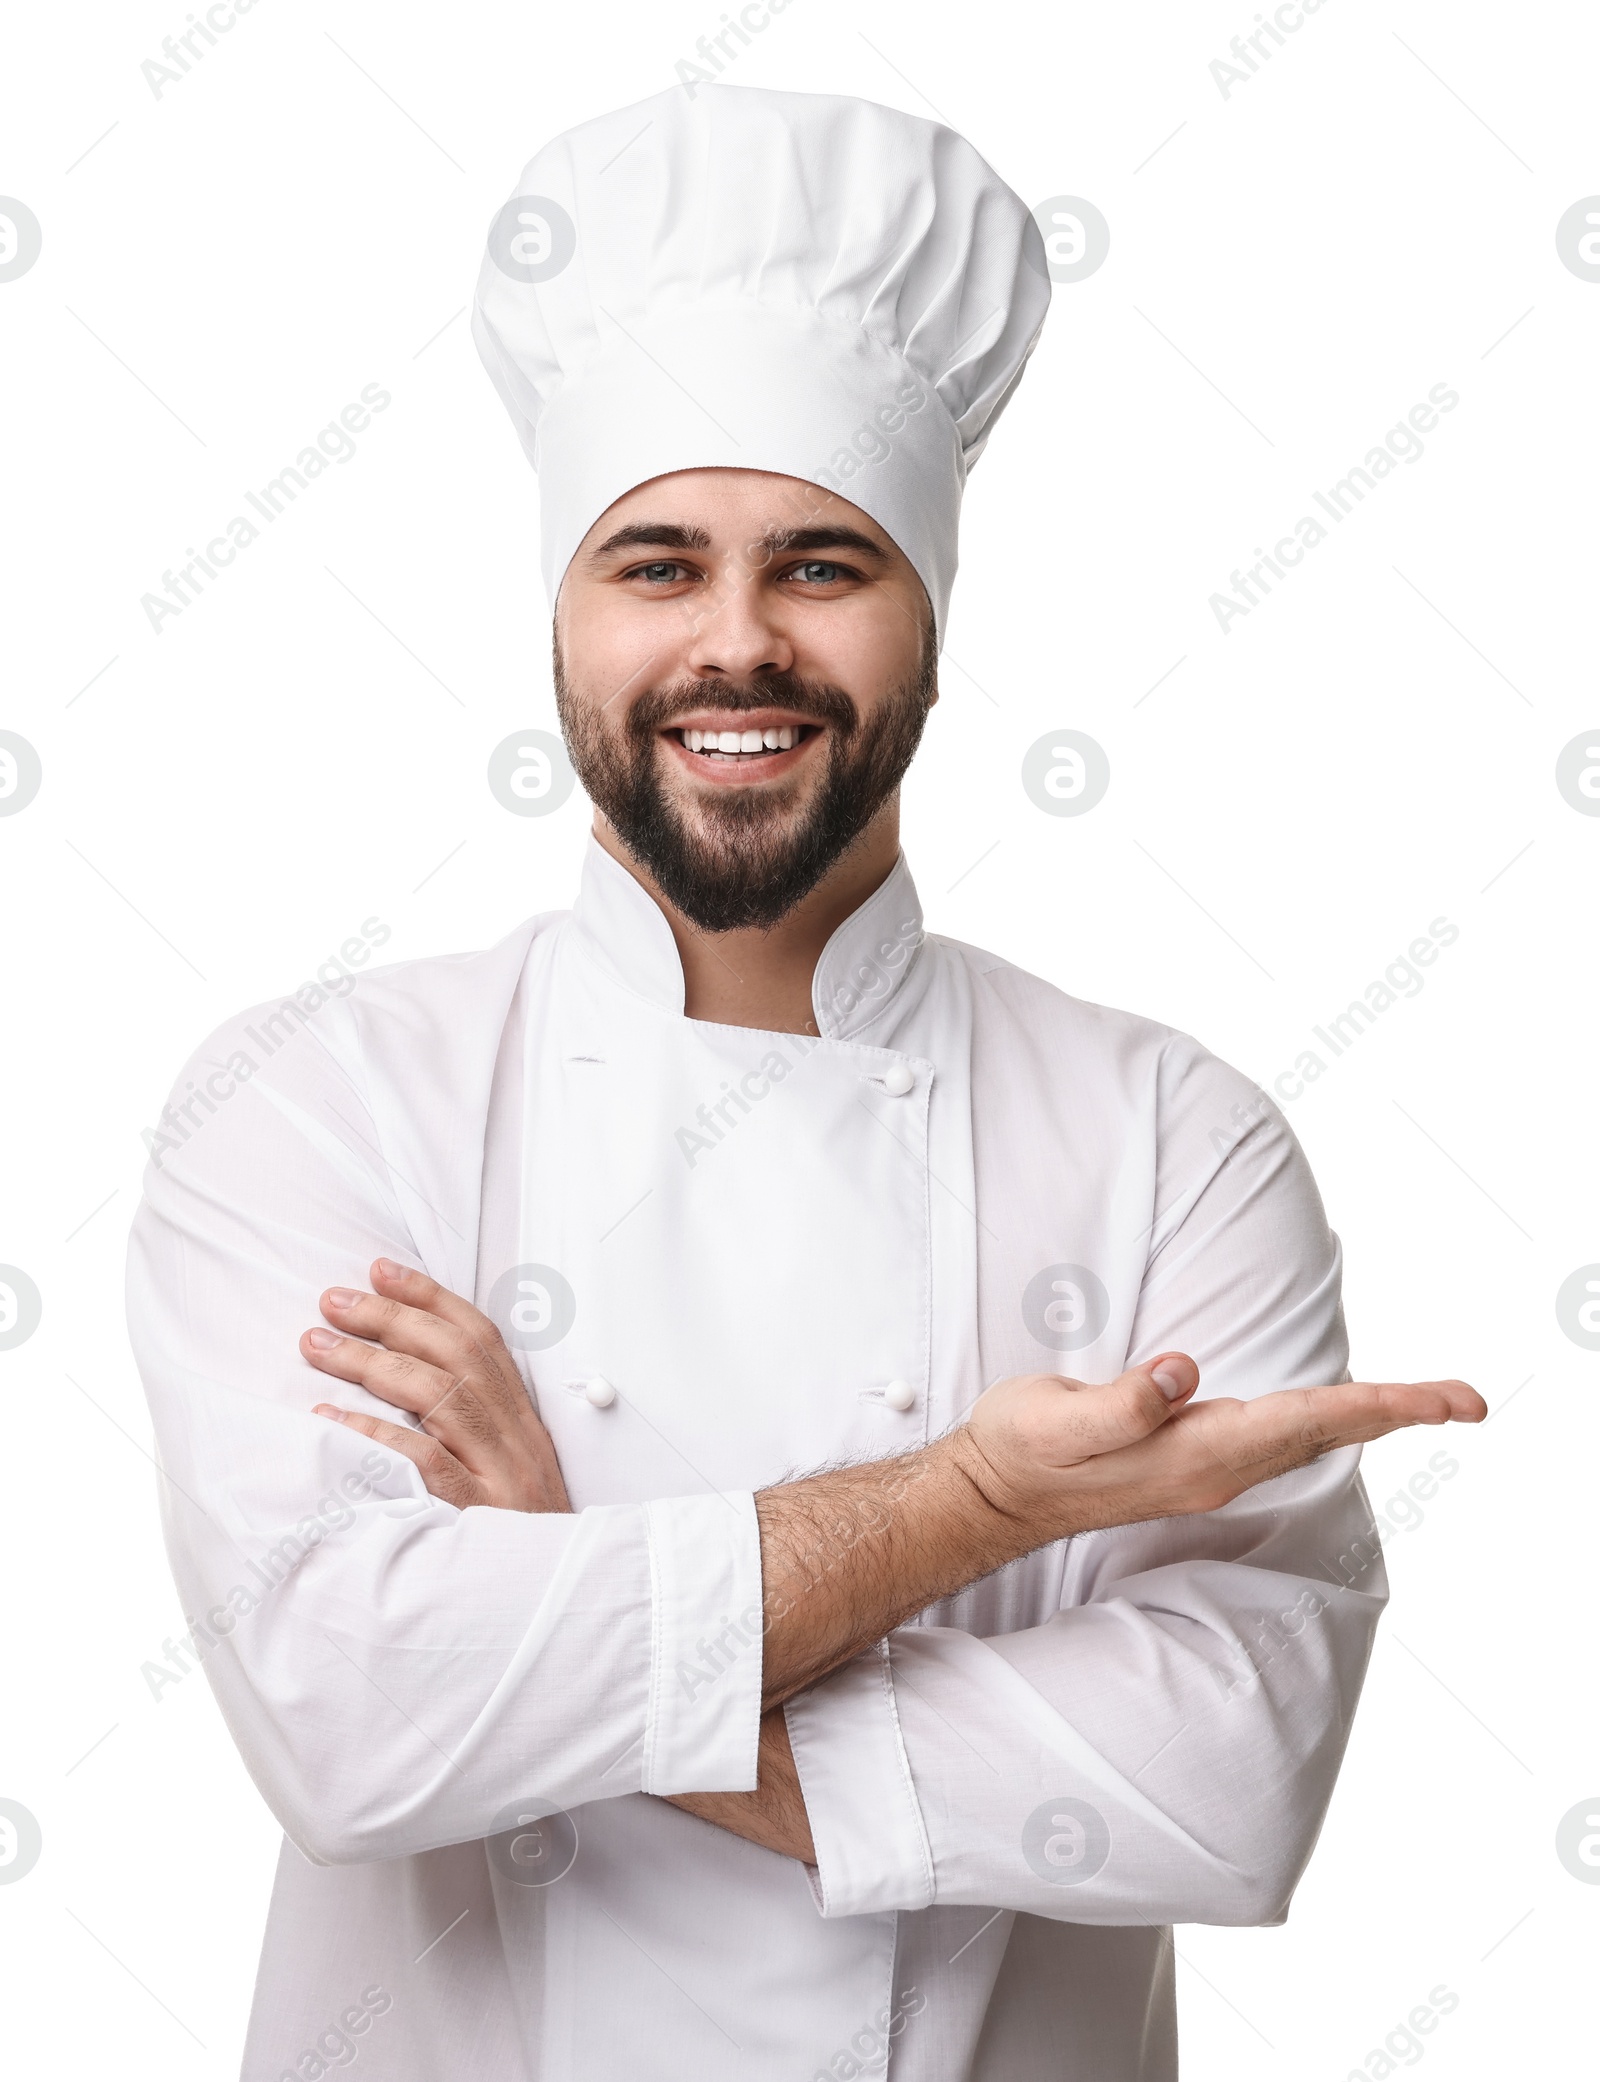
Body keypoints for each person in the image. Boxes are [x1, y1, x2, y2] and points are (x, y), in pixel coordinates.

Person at [127, 84, 1483, 2082]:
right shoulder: (314, 1104)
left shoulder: (1170, 1140)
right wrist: (973, 1503)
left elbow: (1230, 1782)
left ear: (928, 604)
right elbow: (345, 1717)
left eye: (823, 564)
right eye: (656, 565)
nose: (737, 645)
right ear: (565, 619)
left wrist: (561, 1592)